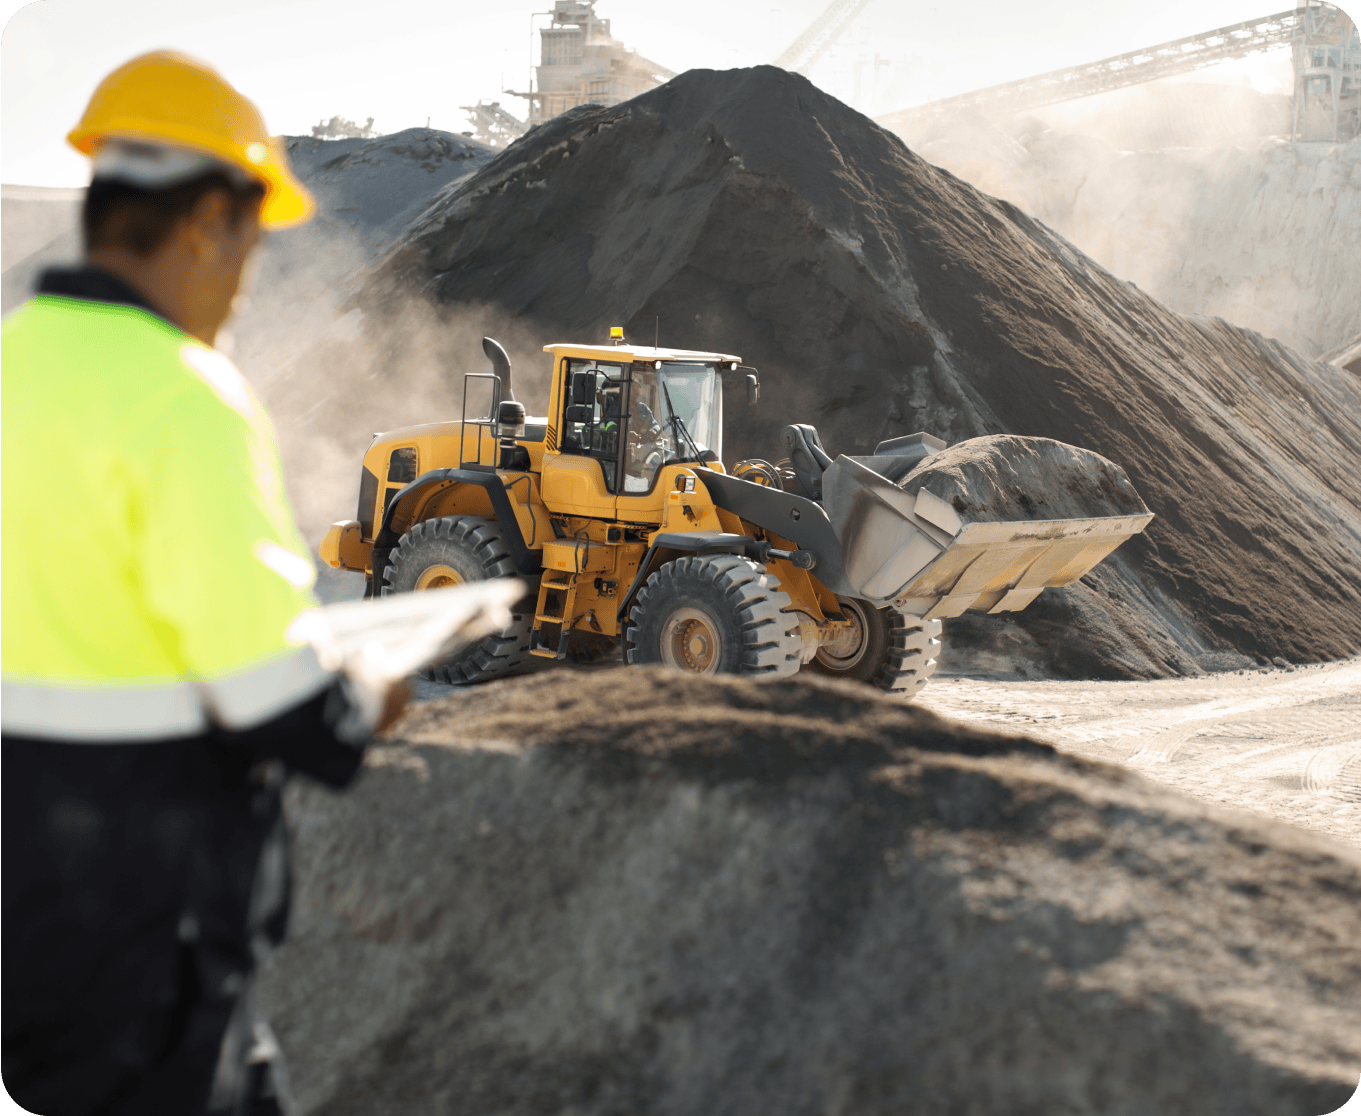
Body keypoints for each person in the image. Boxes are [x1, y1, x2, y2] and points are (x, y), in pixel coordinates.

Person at [1, 52, 403, 1115]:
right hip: (137, 918)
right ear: (206, 226)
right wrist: (365, 695)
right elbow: (272, 698)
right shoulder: (184, 400)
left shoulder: (13, 362)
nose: (245, 279)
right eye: (251, 248)